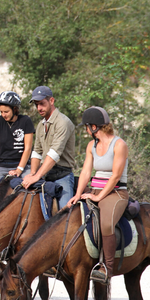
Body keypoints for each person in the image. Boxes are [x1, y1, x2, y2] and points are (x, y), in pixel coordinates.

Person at [67, 107, 129, 284]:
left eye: (87, 127)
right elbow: (86, 172)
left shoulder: (119, 145)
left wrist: (98, 197)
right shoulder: (91, 145)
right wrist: (78, 194)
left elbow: (116, 175)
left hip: (115, 192)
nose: (86, 130)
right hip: (93, 190)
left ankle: (107, 268)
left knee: (106, 224)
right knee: (68, 213)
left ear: (94, 127)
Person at [21, 86, 76, 210]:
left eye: (42, 104)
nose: (39, 108)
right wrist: (33, 173)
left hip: (62, 176)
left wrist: (36, 176)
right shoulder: (41, 125)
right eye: (36, 105)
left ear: (51, 101)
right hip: (46, 175)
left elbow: (54, 154)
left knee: (65, 213)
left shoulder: (63, 122)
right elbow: (36, 153)